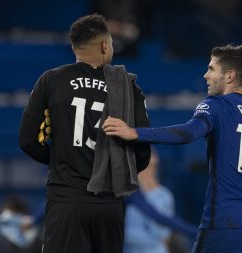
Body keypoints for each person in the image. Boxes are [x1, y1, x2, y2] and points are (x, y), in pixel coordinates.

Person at [103, 44, 242, 253]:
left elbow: (189, 133)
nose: (205, 75)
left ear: (229, 76)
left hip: (224, 225)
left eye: (211, 69)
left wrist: (136, 133)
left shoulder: (217, 105)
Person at [19, 14, 151, 253]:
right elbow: (142, 152)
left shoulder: (51, 80)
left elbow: (28, 141)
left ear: (74, 47)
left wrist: (61, 159)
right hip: (109, 205)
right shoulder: (127, 86)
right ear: (104, 45)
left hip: (66, 200)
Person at [124, 150, 175, 253]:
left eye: (152, 166)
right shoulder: (125, 193)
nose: (147, 171)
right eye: (144, 166)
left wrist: (148, 190)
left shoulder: (164, 195)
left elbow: (162, 234)